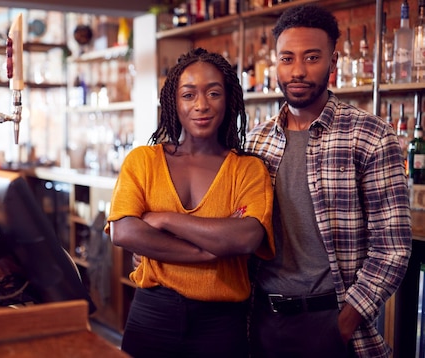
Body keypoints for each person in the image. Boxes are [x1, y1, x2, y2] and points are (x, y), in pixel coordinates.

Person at [244, 4, 412, 358]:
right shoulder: (255, 142)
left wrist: (344, 323)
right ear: (275, 63)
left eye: (312, 57)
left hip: (333, 323)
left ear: (333, 62)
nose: (298, 71)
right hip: (260, 322)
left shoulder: (371, 136)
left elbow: (393, 247)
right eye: (287, 58)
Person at [105, 48, 274, 358]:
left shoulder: (247, 169)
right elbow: (124, 232)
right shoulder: (144, 161)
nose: (201, 105)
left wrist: (165, 220)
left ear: (228, 100)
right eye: (188, 95)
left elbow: (247, 237)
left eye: (213, 93)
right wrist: (208, 251)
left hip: (221, 325)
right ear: (174, 101)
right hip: (152, 314)